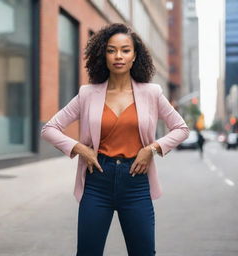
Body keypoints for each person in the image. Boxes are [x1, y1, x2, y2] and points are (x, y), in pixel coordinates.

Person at [41, 23, 189, 256]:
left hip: (136, 183)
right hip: (97, 181)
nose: (118, 56)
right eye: (111, 50)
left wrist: (152, 148)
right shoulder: (87, 94)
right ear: (104, 54)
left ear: (134, 56)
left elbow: (181, 128)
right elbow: (50, 128)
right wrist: (80, 148)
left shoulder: (152, 93)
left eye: (125, 50)